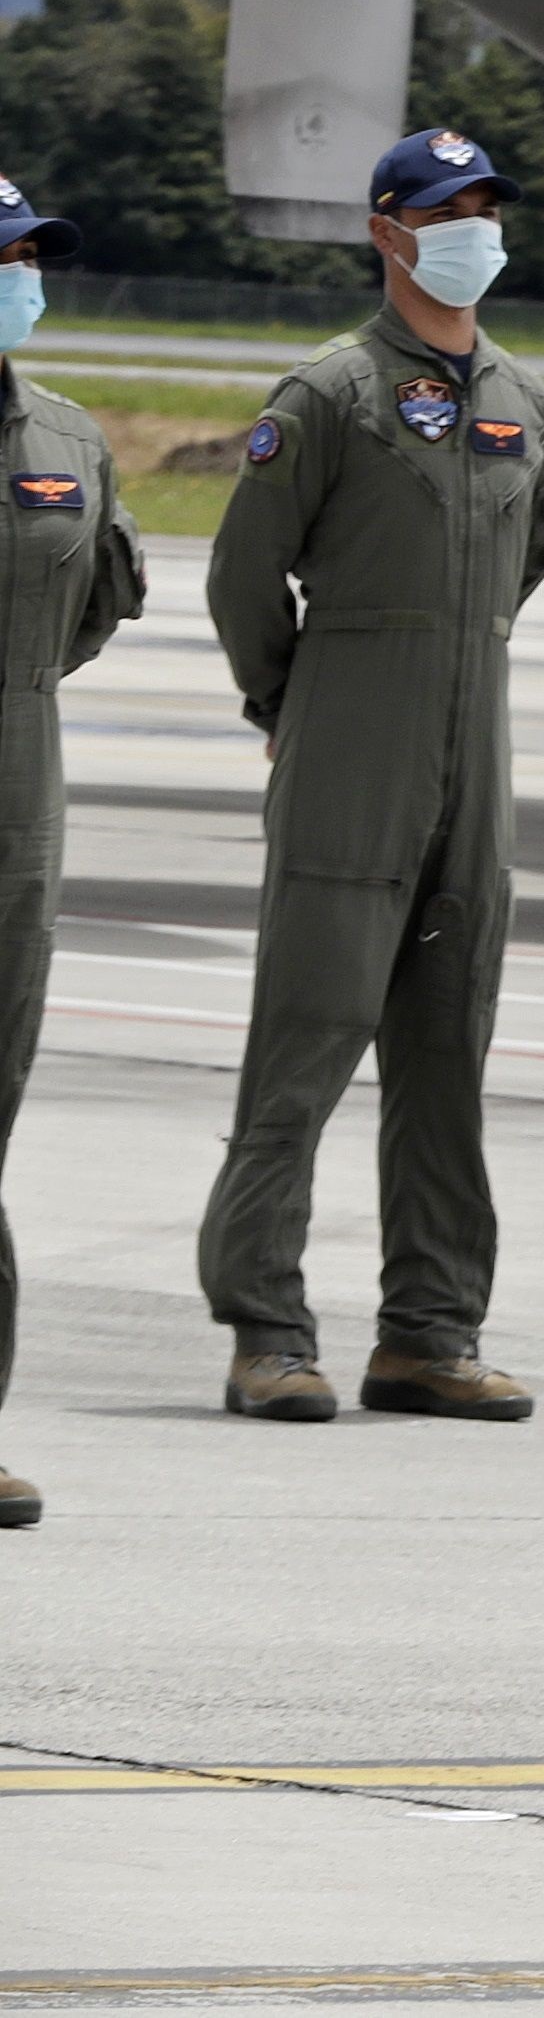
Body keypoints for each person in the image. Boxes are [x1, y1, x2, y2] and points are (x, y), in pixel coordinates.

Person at [197, 129, 544, 1428]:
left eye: (487, 205)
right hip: (352, 738)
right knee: (305, 1040)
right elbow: (245, 573)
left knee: (448, 1048)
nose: (475, 227)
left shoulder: (524, 399)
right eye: (446, 208)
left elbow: (540, 545)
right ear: (389, 230)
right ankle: (266, 1325)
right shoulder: (329, 394)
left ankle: (430, 1329)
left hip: (479, 743)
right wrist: (287, 701)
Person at [0, 175, 143, 1529]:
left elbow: (95, 601)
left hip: (17, 806)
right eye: (7, 254)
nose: (23, 274)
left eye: (32, 254)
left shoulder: (68, 436)